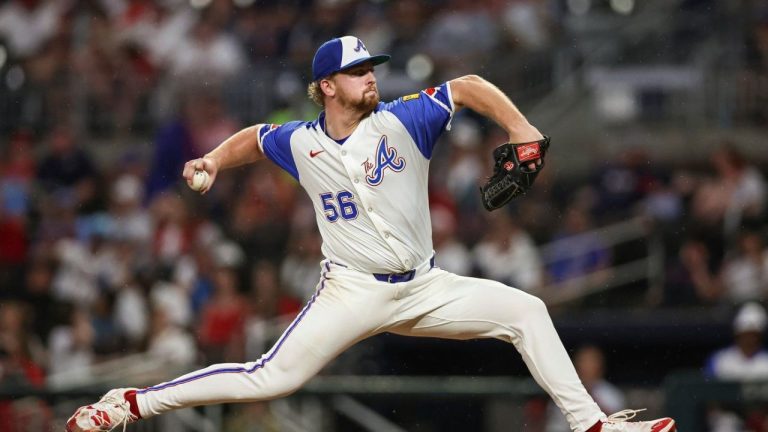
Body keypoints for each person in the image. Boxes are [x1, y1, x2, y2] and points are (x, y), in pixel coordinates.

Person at [66, 36, 676, 432]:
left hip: (424, 285)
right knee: (271, 378)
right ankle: (131, 403)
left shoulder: (405, 118)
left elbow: (464, 87)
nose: (369, 78)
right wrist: (211, 163)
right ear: (327, 86)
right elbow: (255, 136)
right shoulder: (302, 140)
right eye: (356, 72)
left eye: (369, 69)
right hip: (352, 290)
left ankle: (596, 426)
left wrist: (521, 128)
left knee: (528, 311)